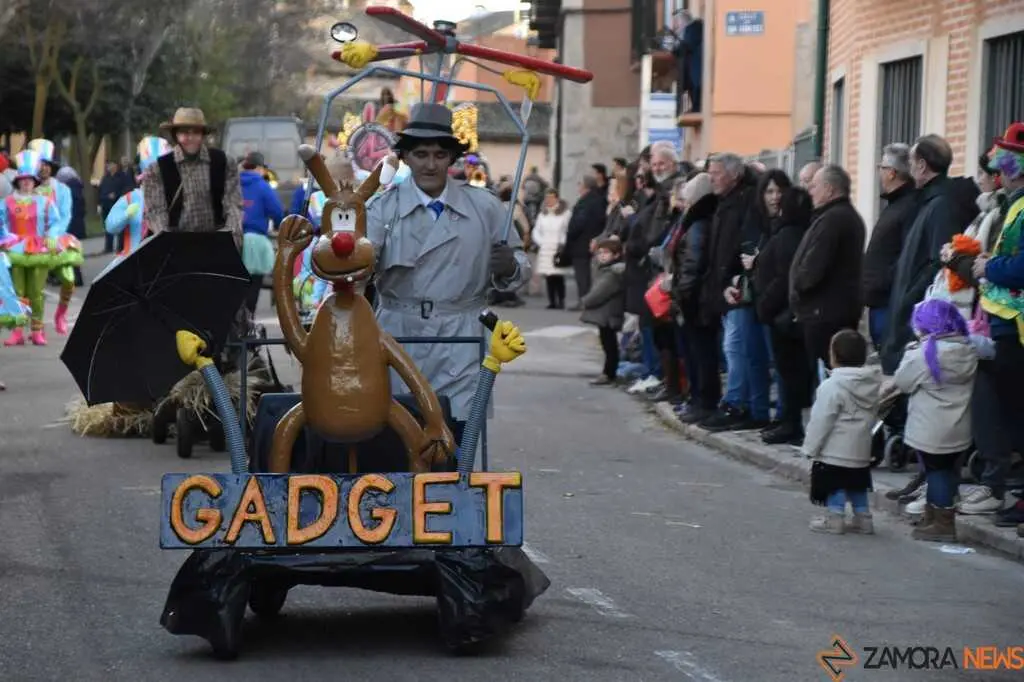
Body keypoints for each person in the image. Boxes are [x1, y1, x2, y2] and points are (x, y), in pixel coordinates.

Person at [365, 102, 530, 443]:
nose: (430, 163)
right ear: (406, 157)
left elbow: (519, 267)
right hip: (398, 333)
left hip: (463, 336)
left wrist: (510, 266)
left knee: (457, 439)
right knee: (397, 436)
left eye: (440, 155)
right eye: (421, 153)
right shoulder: (382, 208)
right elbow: (357, 268)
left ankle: (455, 493)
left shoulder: (485, 207)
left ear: (452, 159)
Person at [143, 107, 249, 340]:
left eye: (194, 132)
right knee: (178, 309)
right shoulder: (157, 169)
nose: (189, 137)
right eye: (183, 132)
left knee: (229, 305)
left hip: (217, 241)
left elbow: (233, 204)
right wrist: (166, 242)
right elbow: (155, 211)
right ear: (175, 135)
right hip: (176, 245)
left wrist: (232, 236)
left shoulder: (224, 163)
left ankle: (233, 351)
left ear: (203, 134)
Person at [888, 299, 977, 542]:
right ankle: (933, 516)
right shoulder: (968, 349)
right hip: (959, 426)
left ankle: (942, 524)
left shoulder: (923, 355)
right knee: (948, 471)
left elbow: (903, 382)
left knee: (935, 472)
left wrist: (908, 353)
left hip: (930, 428)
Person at [880, 134, 961, 375]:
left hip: (915, 319)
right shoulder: (928, 201)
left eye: (912, 161)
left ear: (922, 165)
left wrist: (908, 300)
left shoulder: (941, 205)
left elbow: (939, 263)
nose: (910, 168)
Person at [790, 164, 866, 377]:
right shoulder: (838, 216)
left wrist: (799, 287)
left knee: (830, 375)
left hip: (825, 313)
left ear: (830, 189)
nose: (810, 191)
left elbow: (813, 267)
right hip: (830, 310)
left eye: (814, 186)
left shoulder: (834, 219)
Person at [803, 329, 881, 535]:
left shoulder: (832, 386)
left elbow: (822, 420)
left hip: (834, 449)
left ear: (834, 356)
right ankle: (863, 518)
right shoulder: (872, 385)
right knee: (857, 484)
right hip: (861, 448)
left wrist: (810, 447)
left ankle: (835, 518)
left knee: (834, 483)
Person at [0, 150, 60, 346]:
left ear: (35, 182)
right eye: (23, 179)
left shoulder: (45, 202)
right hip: (15, 250)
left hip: (38, 250)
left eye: (30, 179)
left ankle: (37, 331)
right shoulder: (6, 203)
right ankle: (17, 331)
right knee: (17, 291)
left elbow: (55, 223)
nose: (26, 182)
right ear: (18, 181)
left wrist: (51, 236)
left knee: (36, 291)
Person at [862, 143, 919, 348]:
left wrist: (883, 282)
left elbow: (906, 254)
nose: (879, 173)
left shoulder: (908, 205)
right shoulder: (895, 204)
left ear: (892, 173)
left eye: (882, 168)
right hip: (880, 299)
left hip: (890, 301)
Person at [28, 138, 81, 335]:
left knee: (68, 280)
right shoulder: (28, 190)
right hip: (35, 243)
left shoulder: (63, 190)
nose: (43, 169)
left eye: (46, 165)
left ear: (51, 167)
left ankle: (61, 315)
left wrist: (54, 234)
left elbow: (66, 214)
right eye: (39, 165)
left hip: (58, 241)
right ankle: (37, 326)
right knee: (37, 286)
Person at [103, 137, 172, 272]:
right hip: (132, 264)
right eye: (150, 175)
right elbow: (110, 226)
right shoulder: (131, 199)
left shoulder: (172, 198)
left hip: (164, 265)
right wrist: (126, 214)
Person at [240, 151, 285, 314]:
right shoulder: (262, 185)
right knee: (254, 282)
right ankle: (248, 318)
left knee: (237, 283)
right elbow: (277, 211)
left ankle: (235, 321)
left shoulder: (233, 184)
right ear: (259, 168)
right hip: (256, 240)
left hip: (233, 240)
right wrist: (281, 226)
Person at [580, 238, 626, 385]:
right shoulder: (604, 269)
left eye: (606, 253)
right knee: (607, 342)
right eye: (600, 253)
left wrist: (585, 301)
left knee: (609, 344)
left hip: (609, 314)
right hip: (606, 314)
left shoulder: (612, 273)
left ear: (617, 255)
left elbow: (600, 293)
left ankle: (609, 373)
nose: (602, 256)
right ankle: (608, 372)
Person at [532, 187, 572, 309]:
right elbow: (536, 230)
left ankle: (561, 300)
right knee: (549, 276)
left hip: (558, 248)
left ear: (556, 198)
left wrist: (562, 243)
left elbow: (567, 230)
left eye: (551, 197)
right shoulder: (542, 214)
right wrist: (541, 241)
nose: (548, 200)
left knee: (558, 275)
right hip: (545, 248)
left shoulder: (565, 213)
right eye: (547, 197)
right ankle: (552, 301)